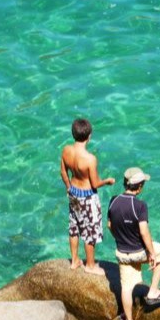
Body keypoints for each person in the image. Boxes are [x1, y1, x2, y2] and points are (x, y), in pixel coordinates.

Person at [107, 167, 160, 320]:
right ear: (140, 186)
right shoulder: (140, 206)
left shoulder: (113, 201)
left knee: (126, 288)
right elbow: (144, 231)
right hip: (139, 252)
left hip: (122, 253)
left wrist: (120, 238)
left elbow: (109, 225)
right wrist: (151, 253)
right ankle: (153, 291)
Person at [60, 118, 115, 275]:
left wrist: (68, 187)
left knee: (74, 226)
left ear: (73, 134)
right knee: (90, 230)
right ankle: (90, 265)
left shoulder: (66, 150)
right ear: (89, 136)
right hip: (87, 197)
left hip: (73, 192)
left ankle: (74, 260)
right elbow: (95, 183)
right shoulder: (90, 159)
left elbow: (63, 172)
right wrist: (107, 181)